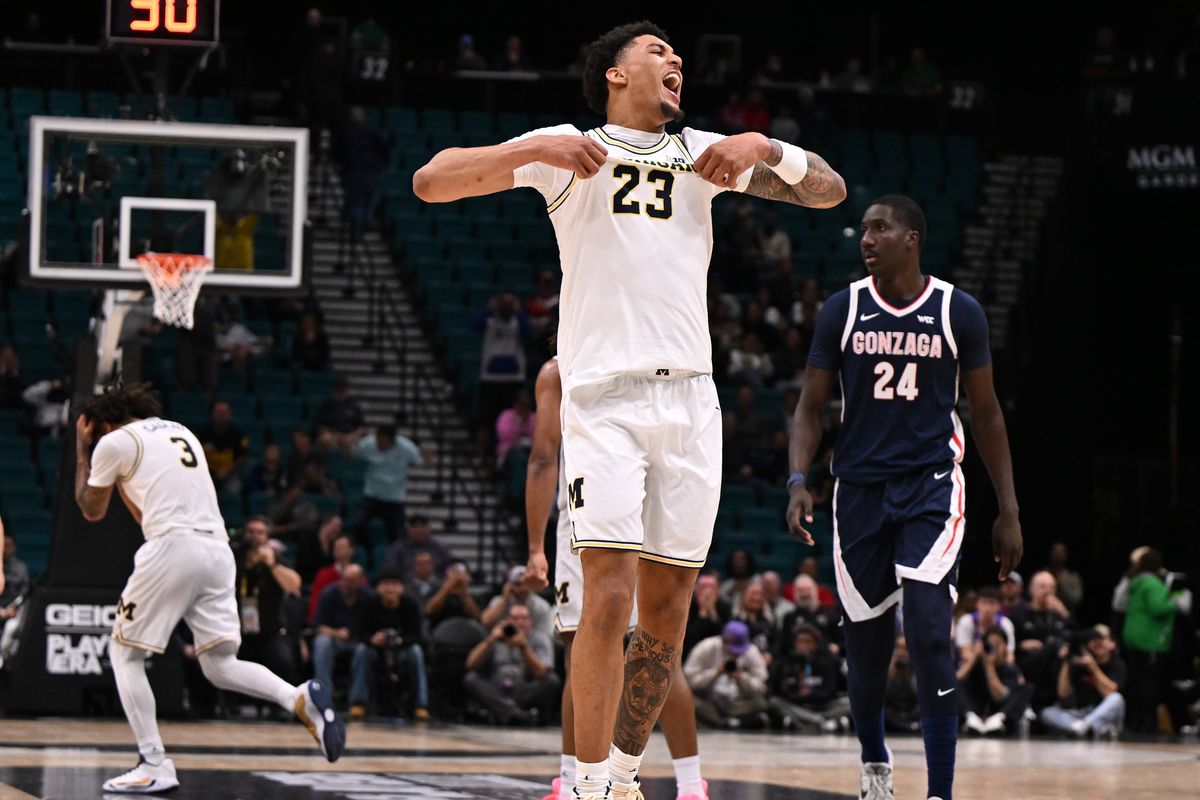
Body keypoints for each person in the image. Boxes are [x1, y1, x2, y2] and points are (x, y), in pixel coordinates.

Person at [414, 20, 845, 798]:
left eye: (677, 54)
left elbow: (829, 191)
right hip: (604, 397)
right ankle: (584, 783)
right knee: (609, 593)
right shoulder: (569, 148)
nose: (676, 59)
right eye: (657, 52)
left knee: (669, 610)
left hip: (691, 399)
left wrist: (763, 146)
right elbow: (431, 180)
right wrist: (531, 151)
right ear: (615, 74)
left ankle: (619, 776)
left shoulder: (704, 153)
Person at [786, 195, 1022, 800]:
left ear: (911, 238)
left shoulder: (957, 311)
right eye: (863, 229)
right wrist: (797, 480)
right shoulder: (843, 309)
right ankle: (875, 761)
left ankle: (940, 792)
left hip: (931, 487)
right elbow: (809, 408)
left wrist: (1009, 508)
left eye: (879, 228)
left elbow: (987, 413)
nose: (866, 239)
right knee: (865, 663)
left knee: (927, 631)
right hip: (858, 493)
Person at [73, 383, 344, 793]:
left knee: (124, 654)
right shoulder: (181, 432)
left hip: (173, 546)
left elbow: (91, 509)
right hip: (217, 552)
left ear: (104, 425)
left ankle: (153, 763)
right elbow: (143, 508)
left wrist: (83, 450)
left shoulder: (113, 442)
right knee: (219, 664)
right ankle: (297, 697)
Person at [524, 356, 708, 800]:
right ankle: (689, 785)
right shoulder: (644, 358)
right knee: (656, 643)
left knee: (592, 643)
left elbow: (544, 459)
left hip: (593, 518)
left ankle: (578, 783)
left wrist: (534, 547)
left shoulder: (559, 371)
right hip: (632, 504)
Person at [1121, 547, 1188, 733]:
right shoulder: (1152, 584)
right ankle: (1148, 723)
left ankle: (1136, 722)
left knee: (1136, 682)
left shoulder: (1135, 582)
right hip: (1149, 640)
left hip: (1134, 638)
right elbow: (1159, 608)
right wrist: (1177, 598)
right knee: (1149, 684)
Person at [234, 517, 302, 689]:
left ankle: (282, 701)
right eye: (251, 531)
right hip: (237, 632)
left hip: (269, 633)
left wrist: (272, 565)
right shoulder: (234, 559)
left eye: (260, 532)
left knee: (283, 663)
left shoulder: (276, 560)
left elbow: (294, 587)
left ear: (267, 536)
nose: (255, 536)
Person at [463, 604, 560, 724]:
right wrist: (490, 640)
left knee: (552, 680)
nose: (520, 623)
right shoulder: (494, 636)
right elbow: (471, 664)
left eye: (524, 619)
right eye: (515, 618)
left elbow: (541, 673)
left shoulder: (540, 638)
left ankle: (504, 712)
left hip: (524, 690)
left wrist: (524, 647)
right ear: (507, 620)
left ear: (531, 621)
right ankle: (519, 715)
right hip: (496, 690)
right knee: (471, 678)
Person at [365, 567, 430, 721]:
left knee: (416, 652)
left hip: (403, 651)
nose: (390, 588)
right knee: (361, 650)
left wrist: (401, 641)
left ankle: (421, 704)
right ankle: (358, 701)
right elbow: (359, 632)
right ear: (378, 588)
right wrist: (372, 639)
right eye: (386, 584)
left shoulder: (411, 605)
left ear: (401, 588)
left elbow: (418, 636)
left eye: (394, 584)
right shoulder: (369, 604)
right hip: (375, 652)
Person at [1040, 626, 1127, 738]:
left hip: (1103, 715)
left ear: (1112, 644)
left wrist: (1093, 667)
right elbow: (1064, 695)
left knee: (1116, 698)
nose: (1098, 643)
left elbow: (1109, 692)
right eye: (1094, 640)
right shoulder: (1079, 661)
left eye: (1102, 639)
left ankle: (1084, 727)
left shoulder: (1117, 664)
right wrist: (1067, 662)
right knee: (1047, 712)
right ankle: (1081, 728)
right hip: (1080, 714)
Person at [312, 564, 374, 720]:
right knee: (322, 642)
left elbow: (372, 628)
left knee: (364, 650)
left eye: (351, 581)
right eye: (344, 579)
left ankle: (357, 701)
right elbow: (319, 626)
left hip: (359, 641)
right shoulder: (329, 593)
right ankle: (323, 697)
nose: (346, 584)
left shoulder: (369, 597)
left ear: (361, 581)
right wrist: (336, 633)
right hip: (335, 640)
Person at [683, 620, 770, 729]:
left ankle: (721, 723)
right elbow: (689, 681)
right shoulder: (706, 647)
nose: (735, 654)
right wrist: (715, 673)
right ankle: (729, 723)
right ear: (723, 641)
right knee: (688, 701)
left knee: (761, 703)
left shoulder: (751, 651)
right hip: (709, 703)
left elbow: (761, 686)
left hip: (738, 704)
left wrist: (741, 677)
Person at [349, 424, 427, 545]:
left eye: (382, 442)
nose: (379, 445)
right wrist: (350, 441)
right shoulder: (368, 443)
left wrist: (427, 459)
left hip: (394, 499)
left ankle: (396, 555)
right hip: (372, 495)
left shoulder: (407, 448)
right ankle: (368, 549)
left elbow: (421, 462)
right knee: (358, 525)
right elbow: (350, 455)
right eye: (377, 441)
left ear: (392, 441)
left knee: (398, 536)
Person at [769, 625, 851, 732]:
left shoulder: (826, 662)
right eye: (800, 642)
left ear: (815, 644)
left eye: (808, 642)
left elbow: (829, 692)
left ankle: (807, 722)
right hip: (798, 706)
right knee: (774, 701)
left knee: (851, 703)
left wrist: (810, 693)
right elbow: (778, 691)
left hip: (823, 706)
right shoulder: (787, 663)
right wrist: (789, 689)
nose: (804, 645)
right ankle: (819, 722)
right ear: (795, 643)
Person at [956, 627, 1030, 736]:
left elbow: (1000, 696)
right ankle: (971, 718)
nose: (994, 648)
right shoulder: (976, 665)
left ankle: (998, 719)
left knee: (1026, 688)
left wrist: (990, 667)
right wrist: (974, 657)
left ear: (1005, 647)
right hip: (974, 710)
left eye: (998, 644)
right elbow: (956, 681)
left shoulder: (1010, 668)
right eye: (991, 644)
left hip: (999, 711)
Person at [482, 564, 555, 640]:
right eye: (517, 584)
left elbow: (545, 635)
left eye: (525, 583)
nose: (522, 588)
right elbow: (486, 622)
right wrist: (504, 599)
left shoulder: (541, 606)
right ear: (509, 585)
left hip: (532, 642)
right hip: (503, 640)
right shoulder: (498, 601)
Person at [308, 534, 366, 624]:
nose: (337, 549)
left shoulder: (359, 575)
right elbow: (315, 602)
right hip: (328, 622)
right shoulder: (323, 574)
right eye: (336, 547)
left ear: (352, 550)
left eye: (342, 547)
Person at [382, 514, 458, 579]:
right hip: (406, 586)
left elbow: (454, 562)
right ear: (408, 529)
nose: (419, 530)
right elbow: (389, 568)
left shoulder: (439, 547)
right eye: (415, 526)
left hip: (436, 585)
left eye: (423, 526)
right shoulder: (398, 547)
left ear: (428, 528)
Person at [198, 401, 249, 494]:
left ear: (229, 414)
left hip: (229, 473)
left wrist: (227, 470)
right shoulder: (203, 431)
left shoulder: (237, 433)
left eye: (224, 412)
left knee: (234, 489)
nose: (221, 415)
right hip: (206, 472)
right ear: (213, 413)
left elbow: (242, 457)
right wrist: (202, 449)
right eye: (218, 412)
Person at [953, 587, 1015, 659]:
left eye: (992, 603)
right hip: (972, 661)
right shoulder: (967, 621)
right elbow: (965, 653)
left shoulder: (1005, 623)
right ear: (977, 604)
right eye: (984, 602)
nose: (987, 608)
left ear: (999, 606)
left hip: (997, 661)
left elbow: (1010, 655)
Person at [313, 375, 365, 452]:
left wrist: (353, 436)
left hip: (350, 437)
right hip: (333, 436)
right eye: (338, 390)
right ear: (334, 390)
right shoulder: (326, 405)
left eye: (343, 390)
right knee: (325, 439)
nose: (341, 393)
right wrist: (337, 436)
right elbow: (321, 427)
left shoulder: (354, 405)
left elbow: (361, 427)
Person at [1046, 542, 1084, 612]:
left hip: (1065, 614)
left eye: (1060, 552)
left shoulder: (1072, 577)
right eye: (1055, 552)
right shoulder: (1042, 575)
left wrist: (1061, 584)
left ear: (1066, 555)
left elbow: (1076, 600)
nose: (1057, 555)